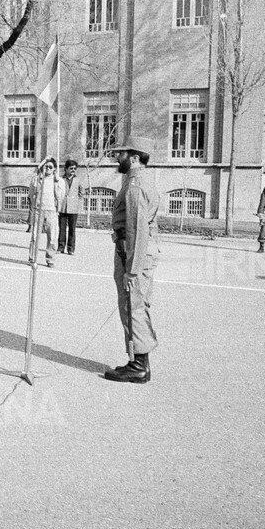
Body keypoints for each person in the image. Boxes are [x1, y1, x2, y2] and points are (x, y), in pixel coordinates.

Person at [105, 136, 160, 384]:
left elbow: (138, 230)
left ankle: (138, 366)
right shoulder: (140, 180)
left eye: (122, 154)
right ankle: (138, 362)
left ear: (135, 157)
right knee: (135, 307)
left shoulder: (135, 184)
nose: (118, 157)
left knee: (132, 307)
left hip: (133, 255)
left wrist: (132, 270)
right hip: (135, 253)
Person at [28, 156, 65, 268]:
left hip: (51, 211)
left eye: (50, 167)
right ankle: (32, 258)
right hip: (38, 210)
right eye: (46, 166)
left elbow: (61, 197)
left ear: (54, 169)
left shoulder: (59, 181)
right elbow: (31, 194)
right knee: (35, 236)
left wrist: (57, 183)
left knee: (52, 236)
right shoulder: (37, 179)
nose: (48, 168)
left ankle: (50, 259)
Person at [57, 159, 82, 255]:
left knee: (72, 229)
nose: (73, 170)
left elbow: (82, 192)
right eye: (71, 168)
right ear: (65, 169)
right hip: (63, 207)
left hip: (73, 208)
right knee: (62, 228)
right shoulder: (61, 180)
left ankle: (71, 249)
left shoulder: (78, 180)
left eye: (75, 169)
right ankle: (60, 247)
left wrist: (76, 201)